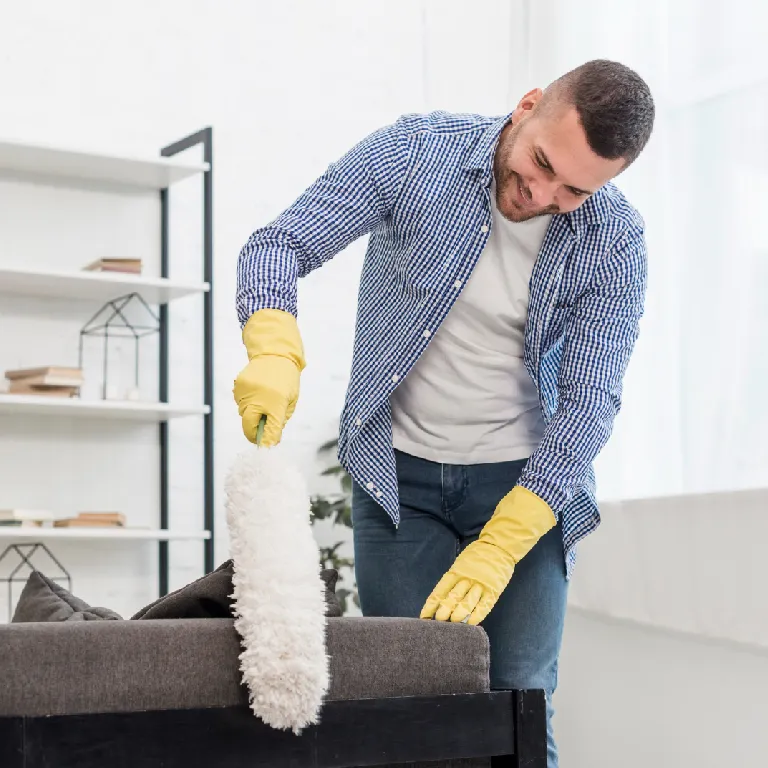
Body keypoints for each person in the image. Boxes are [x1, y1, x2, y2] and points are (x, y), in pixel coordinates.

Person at [233, 58, 654, 766]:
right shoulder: (414, 154)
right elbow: (278, 244)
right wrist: (274, 348)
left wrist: (506, 539)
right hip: (399, 483)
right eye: (541, 162)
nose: (541, 193)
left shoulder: (613, 239)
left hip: (524, 487)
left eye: (574, 189)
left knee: (520, 702)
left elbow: (589, 401)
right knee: (414, 709)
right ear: (526, 106)